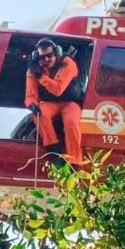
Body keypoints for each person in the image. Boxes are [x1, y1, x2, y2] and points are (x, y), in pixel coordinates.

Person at [25, 39, 83, 167]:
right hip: (50, 103)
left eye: (49, 56)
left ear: (56, 53)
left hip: (70, 103)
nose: (46, 60)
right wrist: (32, 104)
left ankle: (75, 161)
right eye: (42, 57)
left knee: (71, 122)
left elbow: (57, 89)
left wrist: (40, 77)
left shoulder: (67, 63)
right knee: (39, 114)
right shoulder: (33, 70)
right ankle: (53, 150)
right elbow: (30, 95)